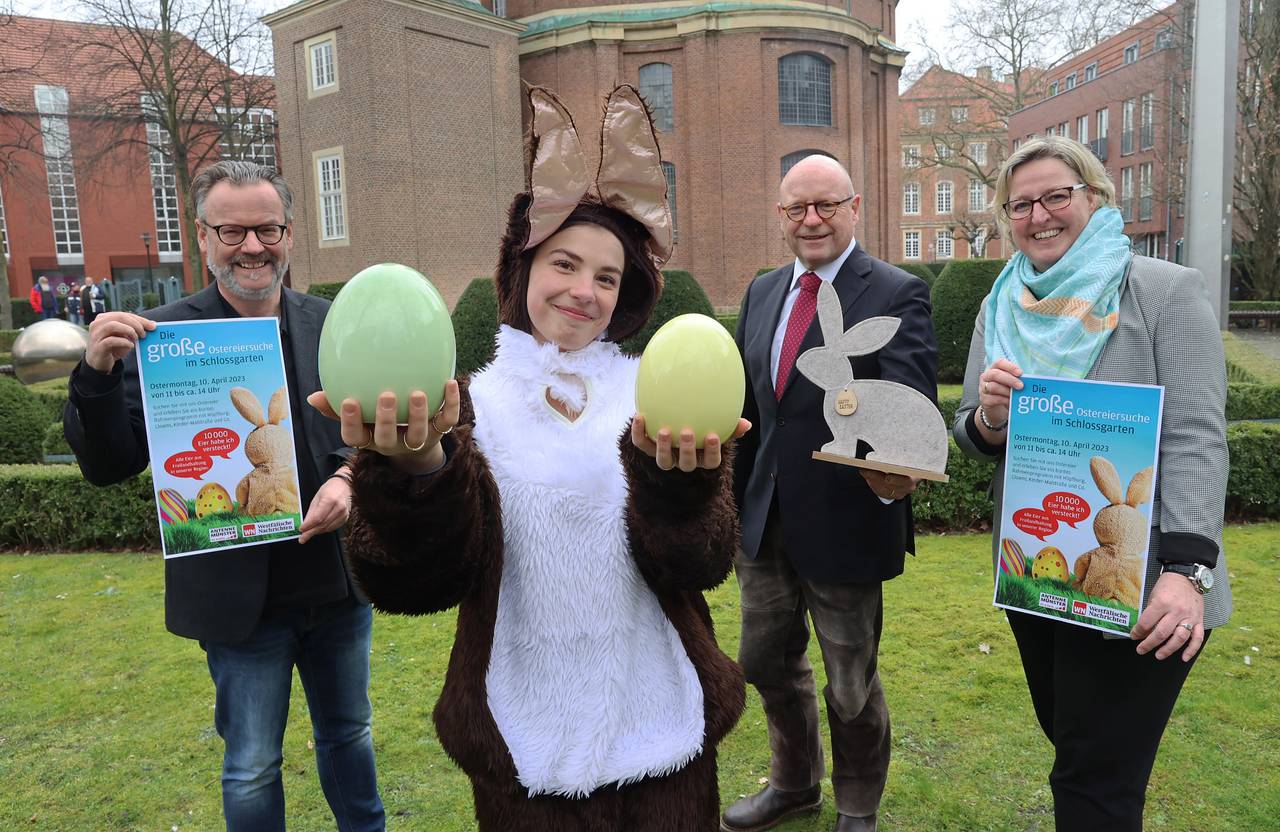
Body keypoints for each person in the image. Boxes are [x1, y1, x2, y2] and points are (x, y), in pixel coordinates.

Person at [310, 85, 746, 832]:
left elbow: (702, 562)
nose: (583, 292)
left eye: (606, 277)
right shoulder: (469, 407)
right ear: (523, 268)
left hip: (660, 722)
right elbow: (418, 584)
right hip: (525, 740)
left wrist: (684, 487)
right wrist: (416, 472)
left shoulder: (655, 398)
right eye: (564, 264)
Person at [62, 160, 385, 831]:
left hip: (336, 587)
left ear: (289, 233)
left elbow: (377, 433)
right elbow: (110, 464)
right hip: (240, 605)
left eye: (267, 229)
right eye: (232, 232)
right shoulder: (160, 340)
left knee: (350, 735)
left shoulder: (333, 324)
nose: (252, 247)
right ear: (203, 237)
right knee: (252, 765)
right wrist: (97, 373)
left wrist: (350, 478)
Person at [953, 136, 1231, 831]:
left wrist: (1188, 573)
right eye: (1020, 205)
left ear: (1096, 198)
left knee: (1092, 778)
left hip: (1146, 585)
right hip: (1043, 575)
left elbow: (1197, 437)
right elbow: (971, 433)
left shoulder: (1163, 291)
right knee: (1077, 748)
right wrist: (991, 416)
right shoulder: (1001, 304)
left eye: (1056, 196)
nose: (1039, 216)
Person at [724, 155, 937, 832]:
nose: (811, 219)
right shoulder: (763, 292)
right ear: (781, 215)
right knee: (764, 661)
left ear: (855, 208)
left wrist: (895, 470)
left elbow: (907, 403)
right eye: (797, 208)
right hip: (763, 519)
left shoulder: (897, 291)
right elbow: (751, 409)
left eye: (826, 205)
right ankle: (795, 785)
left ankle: (857, 807)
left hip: (847, 520)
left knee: (849, 681)